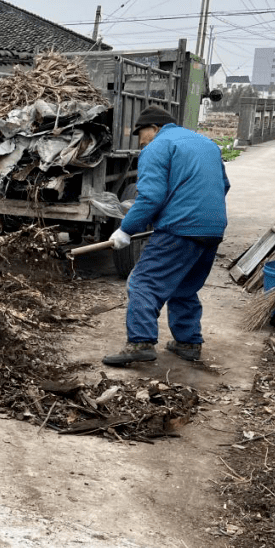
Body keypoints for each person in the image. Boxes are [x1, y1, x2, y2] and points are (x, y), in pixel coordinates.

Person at [102, 106, 230, 366]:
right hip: (214, 228)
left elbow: (150, 196)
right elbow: (223, 185)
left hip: (180, 228)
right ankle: (188, 343)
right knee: (184, 285)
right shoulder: (207, 144)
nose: (141, 142)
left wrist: (126, 229)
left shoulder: (158, 147)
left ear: (156, 128)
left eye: (142, 134)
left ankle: (140, 342)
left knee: (143, 283)